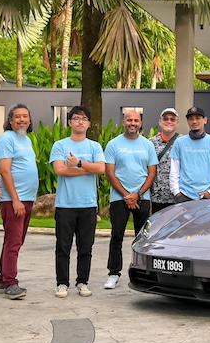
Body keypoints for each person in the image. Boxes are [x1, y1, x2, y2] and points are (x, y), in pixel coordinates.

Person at [51, 105, 105, 298]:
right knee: (63, 247)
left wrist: (79, 164)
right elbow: (60, 170)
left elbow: (101, 169)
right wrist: (88, 169)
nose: (80, 122)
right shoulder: (60, 145)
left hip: (88, 204)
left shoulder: (94, 146)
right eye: (76, 118)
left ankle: (82, 281)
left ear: (89, 124)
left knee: (85, 247)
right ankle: (62, 283)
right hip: (65, 204)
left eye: (84, 119)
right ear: (69, 122)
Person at [103, 109, 158, 289]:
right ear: (123, 122)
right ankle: (113, 273)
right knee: (116, 236)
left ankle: (142, 272)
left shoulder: (147, 145)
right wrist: (127, 195)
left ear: (140, 123)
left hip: (142, 197)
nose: (132, 123)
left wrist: (138, 194)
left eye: (136, 120)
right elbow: (110, 173)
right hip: (119, 198)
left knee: (142, 238)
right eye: (129, 120)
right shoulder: (113, 144)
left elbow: (152, 173)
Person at [0, 104, 39, 300]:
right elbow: (4, 171)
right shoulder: (6, 138)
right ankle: (11, 283)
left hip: (26, 198)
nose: (22, 120)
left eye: (25, 116)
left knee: (14, 241)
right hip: (14, 200)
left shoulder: (25, 139)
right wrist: (15, 199)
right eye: (18, 116)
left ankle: (2, 279)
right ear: (10, 120)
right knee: (13, 242)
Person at [169, 106, 210, 202]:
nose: (194, 121)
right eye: (191, 119)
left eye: (198, 118)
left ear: (205, 120)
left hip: (206, 194)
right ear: (188, 122)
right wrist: (176, 192)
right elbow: (174, 170)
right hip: (184, 194)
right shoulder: (179, 142)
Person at [150, 108, 181, 213]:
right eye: (165, 119)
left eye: (172, 119)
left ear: (177, 123)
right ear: (160, 122)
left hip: (179, 196)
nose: (169, 121)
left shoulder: (184, 142)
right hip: (157, 198)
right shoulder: (150, 143)